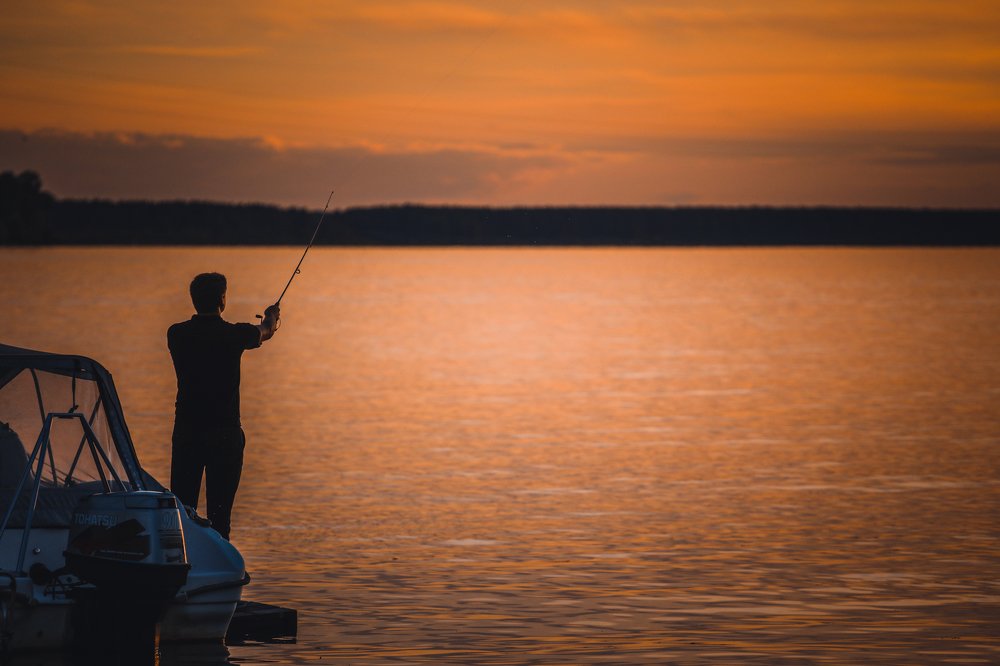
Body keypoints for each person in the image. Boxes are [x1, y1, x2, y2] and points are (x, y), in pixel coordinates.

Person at [167, 272, 280, 540]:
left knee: (183, 511)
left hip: (187, 434)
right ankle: (221, 563)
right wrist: (271, 315)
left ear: (194, 301)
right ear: (222, 300)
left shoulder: (176, 334)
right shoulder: (235, 334)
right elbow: (267, 331)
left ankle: (184, 563)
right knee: (221, 518)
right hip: (225, 435)